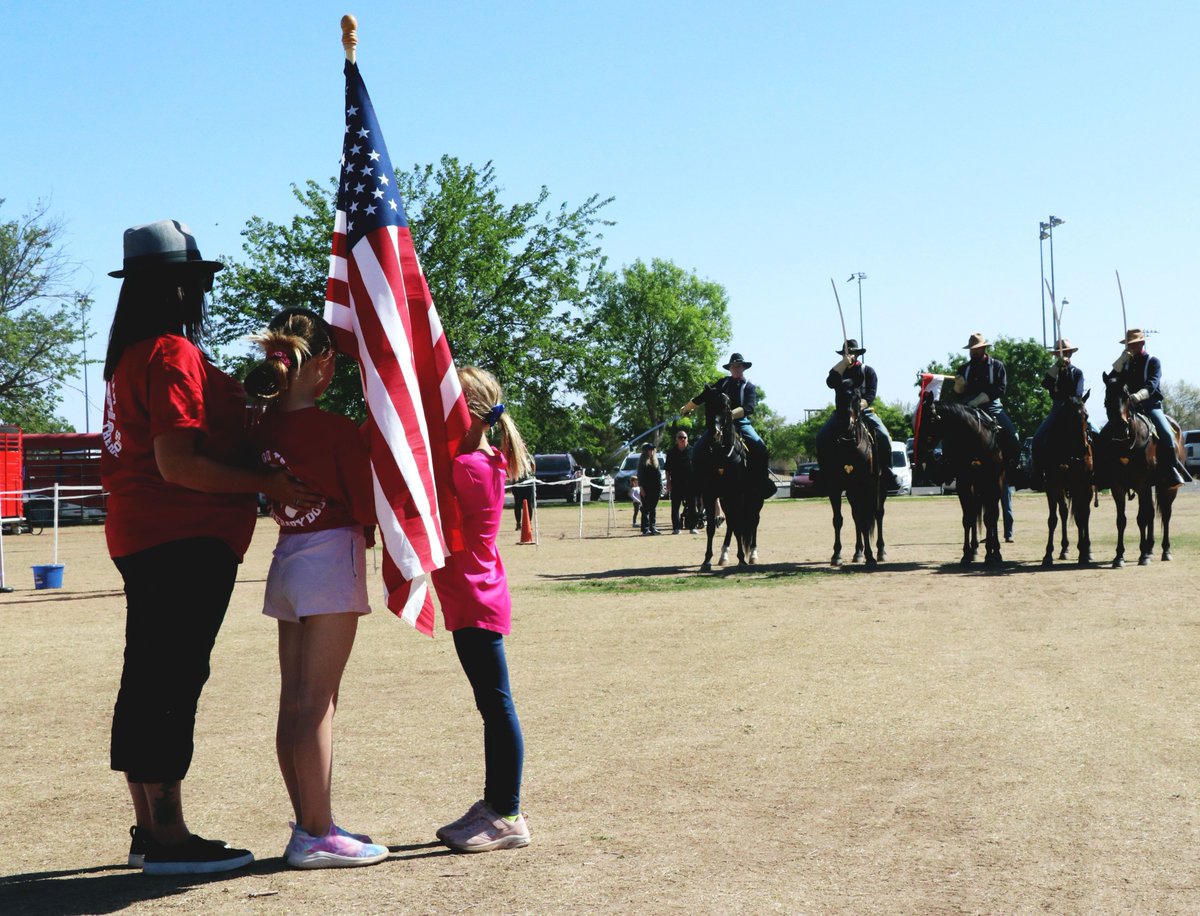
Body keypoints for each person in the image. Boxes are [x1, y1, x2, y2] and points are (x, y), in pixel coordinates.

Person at [101, 220, 320, 875]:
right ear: (176, 287)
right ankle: (168, 839)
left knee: (148, 678)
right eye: (196, 284)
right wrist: (268, 483)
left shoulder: (133, 355)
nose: (203, 296)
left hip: (145, 535)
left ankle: (150, 828)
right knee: (171, 680)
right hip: (182, 535)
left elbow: (220, 415)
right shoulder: (169, 352)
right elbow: (179, 464)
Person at [244, 308, 389, 869]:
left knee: (296, 702)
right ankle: (318, 832)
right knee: (318, 705)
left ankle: (310, 821)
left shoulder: (263, 426)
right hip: (330, 560)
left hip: (286, 560)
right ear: (324, 365)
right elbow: (364, 501)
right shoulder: (330, 429)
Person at [431, 366, 532, 852]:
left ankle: (507, 812)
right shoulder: (480, 456)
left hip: (474, 596)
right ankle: (497, 803)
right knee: (492, 705)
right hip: (472, 593)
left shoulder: (468, 463)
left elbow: (428, 477)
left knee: (496, 706)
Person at [954, 332, 1019, 541]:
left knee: (1011, 436)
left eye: (977, 348)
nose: (974, 352)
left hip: (992, 407)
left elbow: (1001, 388)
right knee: (949, 434)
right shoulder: (964, 368)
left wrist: (981, 398)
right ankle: (946, 464)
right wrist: (958, 388)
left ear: (984, 348)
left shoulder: (997, 366)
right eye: (971, 349)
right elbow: (957, 393)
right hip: (968, 409)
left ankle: (1014, 467)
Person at [679, 353, 772, 492]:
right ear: (730, 369)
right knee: (698, 448)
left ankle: (764, 481)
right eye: (733, 366)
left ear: (743, 368)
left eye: (739, 366)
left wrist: (730, 415)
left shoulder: (749, 387)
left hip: (741, 422)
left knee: (760, 447)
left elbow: (749, 407)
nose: (736, 369)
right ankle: (696, 484)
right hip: (720, 424)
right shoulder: (723, 382)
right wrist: (688, 407)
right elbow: (705, 395)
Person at [1112, 328, 1193, 485]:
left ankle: (1172, 469)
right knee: (1109, 432)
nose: (1132, 347)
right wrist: (1120, 361)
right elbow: (1111, 379)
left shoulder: (1153, 362)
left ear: (1142, 343)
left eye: (1134, 344)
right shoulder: (1126, 363)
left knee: (1167, 434)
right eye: (1129, 345)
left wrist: (1139, 395)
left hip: (1151, 405)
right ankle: (1105, 471)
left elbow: (1152, 384)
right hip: (1129, 408)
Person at [817, 339, 901, 490]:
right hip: (841, 413)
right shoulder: (839, 372)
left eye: (853, 353)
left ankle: (887, 471)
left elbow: (871, 394)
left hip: (864, 411)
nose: (850, 356)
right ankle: (824, 473)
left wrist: (861, 404)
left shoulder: (867, 371)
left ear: (857, 354)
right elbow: (830, 382)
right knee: (822, 436)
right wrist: (843, 364)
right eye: (847, 353)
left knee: (884, 435)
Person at [1031, 338, 1087, 475]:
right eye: (1060, 353)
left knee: (1096, 434)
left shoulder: (1077, 372)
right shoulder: (1053, 373)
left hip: (1075, 410)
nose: (1064, 355)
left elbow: (1078, 393)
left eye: (1066, 352)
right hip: (1057, 409)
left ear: (1070, 354)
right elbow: (1045, 383)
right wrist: (1057, 367)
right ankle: (1037, 473)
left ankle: (1096, 472)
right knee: (1037, 438)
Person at [665, 429, 698, 534]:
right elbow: (667, 470)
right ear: (676, 439)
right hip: (676, 484)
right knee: (675, 507)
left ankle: (693, 527)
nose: (682, 439)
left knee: (693, 506)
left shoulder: (693, 451)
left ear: (687, 439)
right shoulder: (671, 453)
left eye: (685, 437)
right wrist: (668, 482)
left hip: (691, 483)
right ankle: (676, 528)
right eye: (680, 437)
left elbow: (698, 468)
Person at [637, 442, 663, 535]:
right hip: (646, 488)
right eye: (649, 449)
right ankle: (645, 528)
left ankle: (653, 527)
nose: (651, 451)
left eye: (652, 449)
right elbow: (640, 476)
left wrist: (661, 488)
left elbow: (659, 476)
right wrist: (641, 488)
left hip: (656, 488)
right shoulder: (642, 463)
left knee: (653, 509)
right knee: (646, 509)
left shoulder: (656, 462)